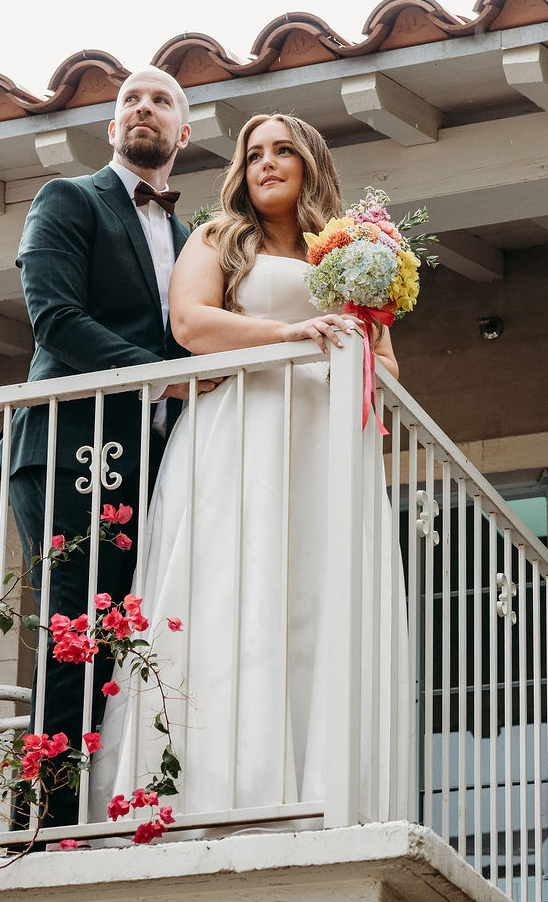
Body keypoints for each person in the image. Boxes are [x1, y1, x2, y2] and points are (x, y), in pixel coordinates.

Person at [97, 113, 411, 825]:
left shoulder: (347, 253)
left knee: (313, 599)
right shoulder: (217, 238)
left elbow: (386, 363)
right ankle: (207, 796)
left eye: (283, 151)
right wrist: (290, 335)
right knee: (230, 590)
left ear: (310, 165)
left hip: (322, 442)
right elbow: (189, 324)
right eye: (254, 153)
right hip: (238, 430)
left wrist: (354, 349)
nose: (267, 163)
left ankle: (321, 796)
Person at [6, 65, 203, 829]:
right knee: (75, 627)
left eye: (161, 100)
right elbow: (54, 318)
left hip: (149, 463)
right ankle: (47, 823)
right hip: (68, 448)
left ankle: (102, 805)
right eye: (130, 101)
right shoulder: (69, 198)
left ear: (183, 134)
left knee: (128, 631)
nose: (143, 108)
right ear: (112, 129)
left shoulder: (190, 238)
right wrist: (166, 379)